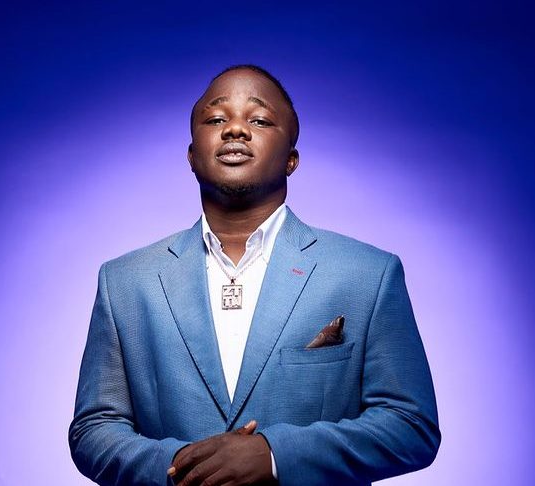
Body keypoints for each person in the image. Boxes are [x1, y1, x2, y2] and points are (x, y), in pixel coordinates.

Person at [69, 65, 441, 486]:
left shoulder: (368, 275)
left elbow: (412, 425)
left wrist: (276, 455)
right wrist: (185, 468)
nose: (235, 129)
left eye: (260, 120)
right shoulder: (125, 282)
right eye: (215, 119)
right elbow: (92, 430)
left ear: (291, 160)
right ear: (191, 156)